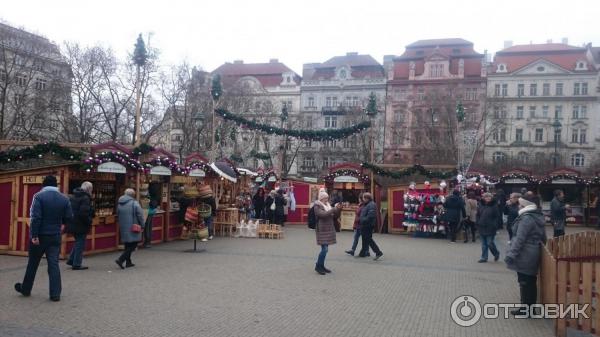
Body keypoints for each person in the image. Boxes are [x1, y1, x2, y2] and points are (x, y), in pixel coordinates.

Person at [15, 176, 73, 302]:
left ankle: (26, 289)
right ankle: (55, 294)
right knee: (53, 264)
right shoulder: (64, 198)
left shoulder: (39, 197)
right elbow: (69, 217)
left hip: (40, 235)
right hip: (55, 236)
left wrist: (34, 235)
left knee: (33, 263)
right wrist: (62, 227)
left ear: (44, 185)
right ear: (56, 185)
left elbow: (36, 217)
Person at [505, 193, 547, 317]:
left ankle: (526, 309)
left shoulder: (526, 218)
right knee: (530, 281)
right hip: (533, 251)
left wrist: (511, 254)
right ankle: (529, 308)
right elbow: (543, 236)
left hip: (525, 253)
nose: (518, 205)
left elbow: (520, 238)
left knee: (525, 281)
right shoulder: (537, 215)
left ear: (525, 205)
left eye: (520, 203)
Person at [67, 181, 94, 270]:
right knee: (80, 243)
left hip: (73, 222)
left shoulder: (73, 196)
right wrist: (89, 221)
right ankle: (77, 264)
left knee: (78, 241)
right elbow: (83, 213)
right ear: (89, 189)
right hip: (81, 224)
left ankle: (71, 260)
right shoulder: (85, 198)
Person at [115, 188, 145, 269]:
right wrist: (143, 225)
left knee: (127, 244)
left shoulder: (120, 203)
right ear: (132, 195)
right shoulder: (134, 203)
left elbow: (117, 214)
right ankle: (120, 259)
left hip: (123, 226)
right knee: (134, 244)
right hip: (133, 226)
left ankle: (128, 262)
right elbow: (140, 215)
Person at [313, 191, 342, 275]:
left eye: (327, 198)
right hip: (322, 229)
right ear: (321, 198)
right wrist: (333, 209)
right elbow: (323, 215)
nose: (327, 199)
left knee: (325, 249)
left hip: (328, 229)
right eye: (325, 198)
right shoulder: (317, 206)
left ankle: (321, 266)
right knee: (324, 249)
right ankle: (318, 266)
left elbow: (335, 216)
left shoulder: (328, 205)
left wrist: (338, 209)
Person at [476, 192, 501, 263]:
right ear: (483, 198)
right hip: (481, 226)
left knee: (490, 243)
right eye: (486, 197)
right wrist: (478, 222)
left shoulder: (494, 206)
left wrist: (495, 225)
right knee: (484, 244)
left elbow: (497, 217)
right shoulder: (480, 205)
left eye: (489, 197)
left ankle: (496, 253)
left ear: (491, 198)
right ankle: (484, 257)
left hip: (490, 227)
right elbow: (478, 214)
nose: (487, 198)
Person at [358, 192, 383, 260]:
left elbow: (370, 216)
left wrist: (363, 220)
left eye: (363, 198)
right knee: (364, 239)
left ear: (367, 198)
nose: (362, 199)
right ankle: (362, 253)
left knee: (368, 239)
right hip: (365, 224)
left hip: (368, 225)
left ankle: (378, 252)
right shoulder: (367, 204)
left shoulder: (371, 205)